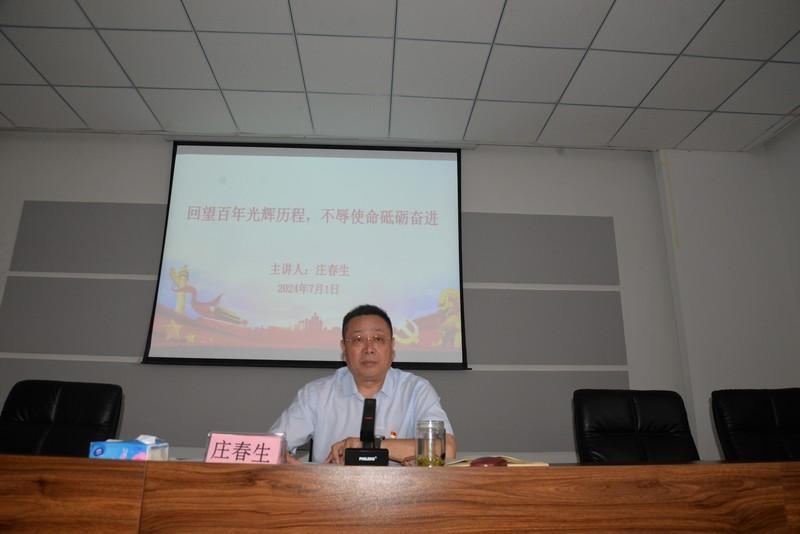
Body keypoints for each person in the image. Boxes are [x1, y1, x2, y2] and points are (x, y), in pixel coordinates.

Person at [269, 304, 456, 464]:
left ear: (392, 347)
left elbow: (446, 450)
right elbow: (270, 448)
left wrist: (370, 446)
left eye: (378, 339)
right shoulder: (316, 394)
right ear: (344, 348)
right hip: (328, 491)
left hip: (400, 493)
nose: (369, 349)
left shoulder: (416, 390)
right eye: (358, 340)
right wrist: (296, 470)